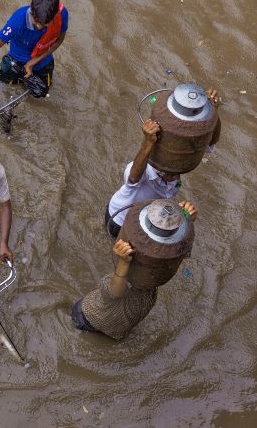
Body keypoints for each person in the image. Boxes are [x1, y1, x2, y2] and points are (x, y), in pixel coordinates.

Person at [72, 201, 198, 340]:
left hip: (117, 326)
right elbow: (114, 292)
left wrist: (186, 223)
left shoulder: (149, 286)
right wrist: (123, 262)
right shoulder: (120, 281)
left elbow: (178, 253)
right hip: (88, 319)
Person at [105, 87, 221, 239]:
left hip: (143, 216)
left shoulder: (180, 165)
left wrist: (214, 113)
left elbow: (212, 140)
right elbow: (133, 178)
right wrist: (148, 141)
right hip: (119, 218)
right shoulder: (145, 169)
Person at [0, 0, 69, 106]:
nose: (39, 27)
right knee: (3, 86)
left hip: (43, 62)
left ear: (55, 16)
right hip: (16, 63)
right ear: (32, 12)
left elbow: (58, 41)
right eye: (36, 22)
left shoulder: (62, 15)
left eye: (44, 25)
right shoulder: (17, 22)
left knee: (41, 96)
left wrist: (32, 63)